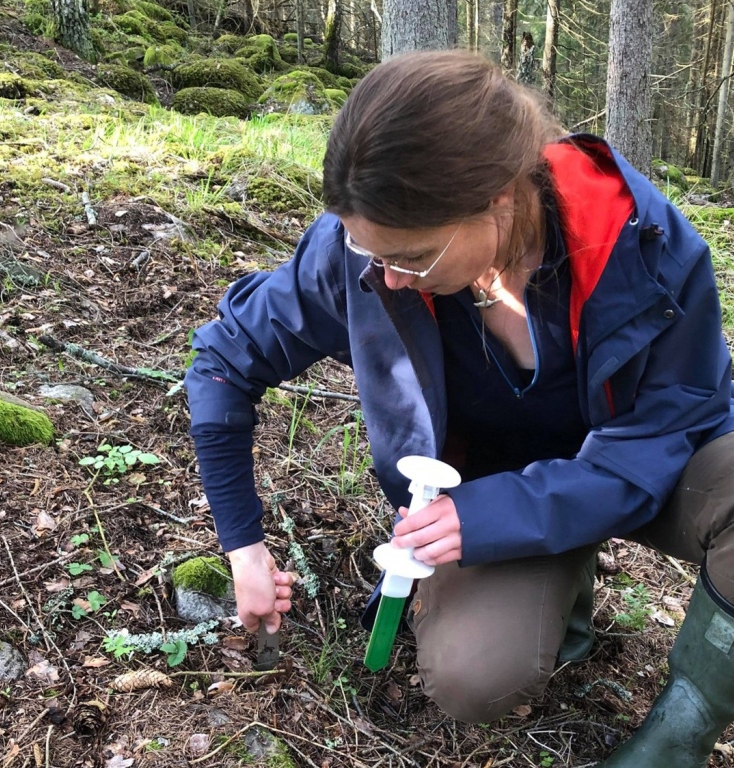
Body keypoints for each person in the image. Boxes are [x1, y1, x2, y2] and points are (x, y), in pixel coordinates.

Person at [185, 50, 734, 766]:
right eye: (368, 251)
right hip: (488, 487)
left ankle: (679, 737)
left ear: (500, 200)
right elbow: (225, 360)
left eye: (411, 257)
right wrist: (244, 545)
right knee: (475, 677)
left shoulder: (643, 249)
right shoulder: (369, 254)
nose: (385, 278)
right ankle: (560, 584)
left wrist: (500, 515)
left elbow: (663, 433)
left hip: (645, 467)